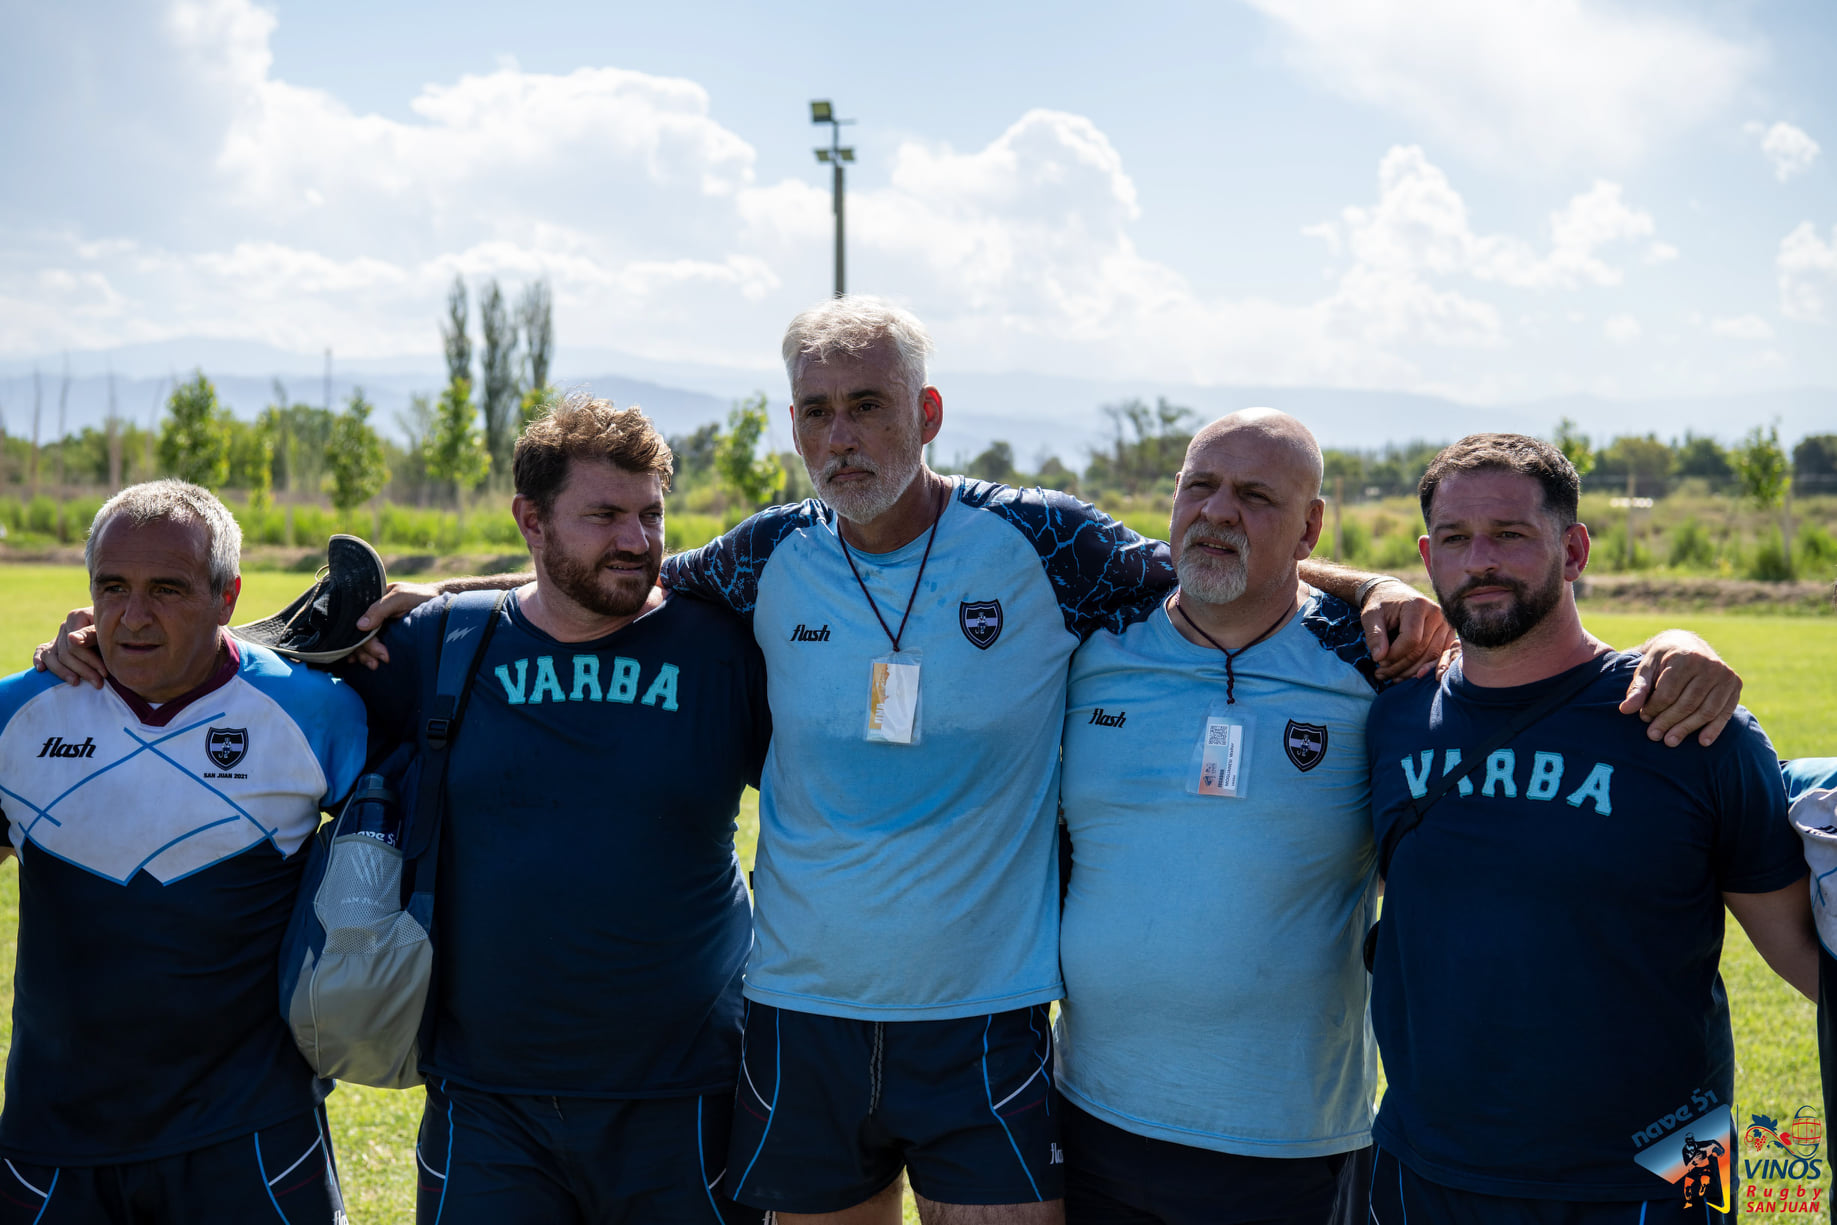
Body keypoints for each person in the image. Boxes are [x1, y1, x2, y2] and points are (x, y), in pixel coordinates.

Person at [34, 399, 772, 1224]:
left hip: (687, 1092)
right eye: (604, 515)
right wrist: (110, 638)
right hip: (488, 1105)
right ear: (529, 519)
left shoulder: (724, 648)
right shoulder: (440, 642)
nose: (636, 539)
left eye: (650, 514)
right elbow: (239, 675)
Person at [1055, 412, 1746, 1225]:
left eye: (1253, 494)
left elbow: (1534, 665)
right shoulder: (1082, 639)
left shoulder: (1377, 670)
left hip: (1296, 1135)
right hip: (1086, 1109)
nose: (1216, 511)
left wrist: (1676, 641)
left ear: (1310, 527)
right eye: (1198, 486)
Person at [1364, 433, 1817, 1223]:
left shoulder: (1693, 726)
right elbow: (1234, 567)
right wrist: (1370, 586)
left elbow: (1805, 959)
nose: (1480, 560)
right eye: (1454, 539)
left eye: (1510, 534)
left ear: (1571, 549)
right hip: (1423, 1164)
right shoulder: (1390, 715)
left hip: (1670, 1171)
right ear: (1425, 555)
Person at [0, 480, 360, 1223]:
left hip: (252, 1136)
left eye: (167, 588)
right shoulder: (20, 714)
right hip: (53, 1142)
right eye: (112, 587)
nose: (133, 616)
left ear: (227, 596)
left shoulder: (317, 711)